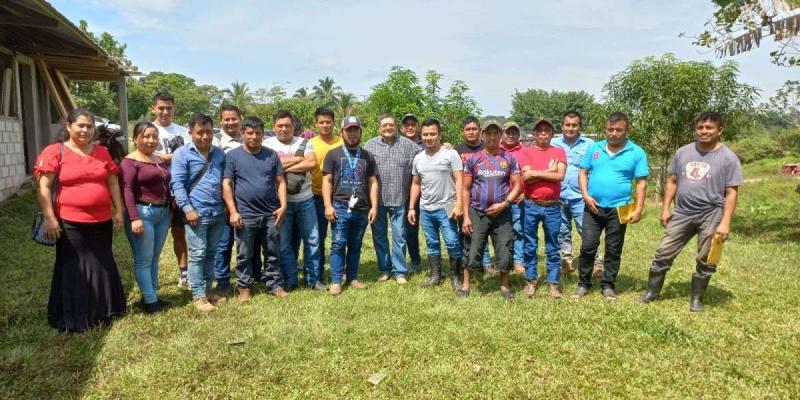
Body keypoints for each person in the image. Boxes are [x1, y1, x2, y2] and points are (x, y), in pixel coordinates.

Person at [35, 108, 126, 332]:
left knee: (102, 264)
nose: (85, 130)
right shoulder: (56, 152)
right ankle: (73, 316)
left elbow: (113, 182)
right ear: (68, 126)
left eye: (89, 126)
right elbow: (43, 187)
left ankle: (103, 312)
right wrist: (49, 217)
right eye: (81, 125)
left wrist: (118, 210)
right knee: (73, 266)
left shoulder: (102, 152)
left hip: (101, 220)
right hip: (69, 222)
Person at [641, 112, 742, 312]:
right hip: (682, 212)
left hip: (712, 213)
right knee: (663, 252)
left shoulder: (728, 158)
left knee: (707, 257)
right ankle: (652, 292)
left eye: (709, 128)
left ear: (719, 131)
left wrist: (725, 222)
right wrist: (665, 208)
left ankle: (696, 299)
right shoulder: (683, 152)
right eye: (700, 128)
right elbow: (672, 181)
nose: (704, 131)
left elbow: (731, 192)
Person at [573, 112, 648, 300]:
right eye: (610, 129)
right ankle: (583, 284)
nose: (613, 133)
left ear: (626, 130)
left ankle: (608, 285)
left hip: (621, 208)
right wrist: (586, 196)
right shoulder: (595, 148)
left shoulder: (636, 152)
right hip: (593, 206)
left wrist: (638, 209)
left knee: (614, 249)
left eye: (618, 130)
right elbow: (583, 172)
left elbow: (641, 182)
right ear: (605, 130)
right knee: (588, 246)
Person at [223, 116, 289, 302]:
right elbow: (227, 184)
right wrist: (233, 211)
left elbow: (280, 181)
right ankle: (244, 286)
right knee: (244, 254)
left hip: (271, 213)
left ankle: (274, 285)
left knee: (272, 252)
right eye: (250, 133)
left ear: (263, 134)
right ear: (243, 133)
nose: (254, 136)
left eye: (258, 133)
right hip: (245, 214)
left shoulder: (271, 155)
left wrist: (283, 205)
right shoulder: (233, 156)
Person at [170, 114, 228, 312]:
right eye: (200, 132)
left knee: (211, 253)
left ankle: (207, 290)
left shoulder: (219, 154)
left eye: (209, 132)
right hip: (196, 213)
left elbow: (225, 182)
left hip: (218, 213)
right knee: (198, 254)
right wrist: (188, 210)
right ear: (190, 133)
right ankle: (198, 295)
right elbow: (177, 184)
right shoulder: (182, 154)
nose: (205, 136)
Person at [460, 120, 522, 300]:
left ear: (500, 135)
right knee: (473, 248)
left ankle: (504, 286)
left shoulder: (509, 159)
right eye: (489, 133)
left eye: (496, 133)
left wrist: (505, 203)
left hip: (502, 214)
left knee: (504, 247)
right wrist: (466, 217)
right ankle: (465, 286)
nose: (492, 137)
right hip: (477, 212)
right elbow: (465, 189)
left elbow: (517, 185)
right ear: (483, 135)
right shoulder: (473, 159)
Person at [264, 110, 323, 291]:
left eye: (287, 126)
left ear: (293, 127)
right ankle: (290, 279)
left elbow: (311, 163)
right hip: (281, 203)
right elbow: (267, 168)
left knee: (313, 239)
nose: (284, 129)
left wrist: (280, 166)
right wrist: (297, 159)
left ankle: (313, 279)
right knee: (284, 243)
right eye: (280, 126)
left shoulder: (304, 142)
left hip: (305, 199)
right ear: (274, 127)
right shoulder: (267, 144)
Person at [322, 116, 378, 295]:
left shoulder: (368, 155)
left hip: (362, 208)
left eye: (355, 130)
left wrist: (374, 206)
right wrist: (328, 206)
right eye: (349, 130)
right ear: (342, 132)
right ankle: (337, 280)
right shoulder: (333, 154)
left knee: (355, 244)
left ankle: (352, 277)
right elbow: (327, 181)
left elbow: (373, 182)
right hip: (340, 206)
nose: (352, 134)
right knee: (338, 244)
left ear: (361, 132)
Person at [121, 121, 171, 314]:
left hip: (162, 213)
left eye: (154, 136)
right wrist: (134, 218)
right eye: (146, 136)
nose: (151, 140)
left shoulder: (158, 159)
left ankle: (151, 295)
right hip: (143, 213)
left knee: (155, 258)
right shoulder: (130, 161)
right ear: (135, 139)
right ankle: (151, 302)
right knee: (143, 259)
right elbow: (127, 190)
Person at [364, 113, 421, 285]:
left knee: (400, 236)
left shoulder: (409, 146)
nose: (388, 128)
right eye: (384, 125)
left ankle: (400, 271)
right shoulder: (369, 146)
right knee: (379, 236)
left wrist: (446, 147)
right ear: (379, 128)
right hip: (377, 201)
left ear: (396, 127)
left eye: (391, 125)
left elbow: (427, 156)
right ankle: (385, 269)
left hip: (399, 199)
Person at [408, 118, 464, 289]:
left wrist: (459, 204)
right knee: (431, 243)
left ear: (439, 135)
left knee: (452, 241)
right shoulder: (418, 158)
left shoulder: (450, 154)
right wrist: (411, 207)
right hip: (426, 209)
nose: (428, 137)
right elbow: (416, 183)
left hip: (447, 207)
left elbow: (459, 179)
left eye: (432, 134)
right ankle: (435, 275)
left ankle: (455, 276)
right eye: (425, 134)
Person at [516, 119, 567, 298]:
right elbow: (526, 178)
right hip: (531, 205)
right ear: (534, 134)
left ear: (552, 134)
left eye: (547, 131)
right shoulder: (526, 152)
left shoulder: (559, 151)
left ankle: (553, 283)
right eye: (540, 131)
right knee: (530, 244)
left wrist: (537, 173)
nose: (543, 134)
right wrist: (549, 171)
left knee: (553, 245)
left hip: (552, 206)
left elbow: (560, 175)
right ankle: (531, 281)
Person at [552, 111, 603, 277]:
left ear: (579, 126)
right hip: (558, 196)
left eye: (574, 125)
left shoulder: (590, 144)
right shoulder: (553, 143)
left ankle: (596, 262)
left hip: (581, 197)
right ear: (562, 126)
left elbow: (596, 169)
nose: (571, 128)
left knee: (586, 230)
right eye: (568, 125)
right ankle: (566, 260)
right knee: (562, 230)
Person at [151, 92, 191, 287]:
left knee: (179, 233)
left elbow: (188, 158)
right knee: (152, 237)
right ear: (153, 108)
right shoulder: (147, 130)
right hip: (153, 190)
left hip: (178, 190)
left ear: (174, 109)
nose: (165, 112)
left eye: (169, 108)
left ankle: (184, 273)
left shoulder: (184, 132)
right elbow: (142, 155)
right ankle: (152, 274)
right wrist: (172, 156)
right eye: (161, 108)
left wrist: (162, 157)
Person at [213, 105, 255, 292]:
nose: (230, 123)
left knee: (249, 241)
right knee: (224, 242)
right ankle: (222, 280)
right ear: (220, 121)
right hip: (224, 200)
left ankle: (252, 274)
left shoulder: (251, 139)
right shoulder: (215, 142)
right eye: (226, 119)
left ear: (241, 118)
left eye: (234, 119)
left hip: (248, 201)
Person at [455, 116, 494, 274]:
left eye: (474, 129)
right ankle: (465, 263)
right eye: (468, 129)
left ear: (480, 131)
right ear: (462, 132)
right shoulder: (457, 150)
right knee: (466, 231)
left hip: (484, 196)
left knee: (484, 231)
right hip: (464, 197)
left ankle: (485, 262)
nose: (471, 132)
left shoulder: (487, 147)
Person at [309, 107, 342, 280]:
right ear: (316, 124)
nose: (325, 125)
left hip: (339, 197)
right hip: (315, 196)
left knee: (340, 237)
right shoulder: (310, 144)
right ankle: (317, 272)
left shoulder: (341, 142)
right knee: (317, 237)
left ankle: (340, 271)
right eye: (321, 122)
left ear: (334, 123)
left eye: (328, 122)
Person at [500, 121, 527, 274]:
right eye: (507, 132)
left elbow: (530, 175)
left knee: (518, 230)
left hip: (518, 200)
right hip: (499, 200)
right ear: (502, 134)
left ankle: (518, 260)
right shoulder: (495, 150)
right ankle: (503, 259)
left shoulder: (525, 151)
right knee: (501, 231)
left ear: (518, 135)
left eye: (514, 133)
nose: (510, 135)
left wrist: (525, 193)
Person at [400, 113, 424, 273]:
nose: (409, 127)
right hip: (404, 193)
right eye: (406, 124)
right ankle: (415, 260)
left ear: (418, 127)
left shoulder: (426, 143)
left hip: (426, 193)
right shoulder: (398, 144)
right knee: (409, 229)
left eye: (413, 124)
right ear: (401, 128)